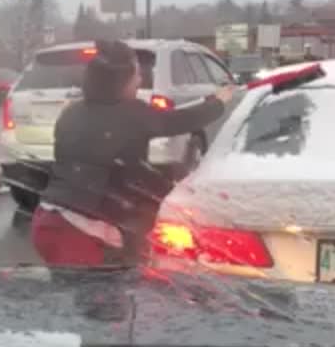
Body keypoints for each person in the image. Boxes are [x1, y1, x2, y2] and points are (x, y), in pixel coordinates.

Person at [31, 40, 235, 267]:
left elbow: (102, 163)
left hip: (48, 218)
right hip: (80, 230)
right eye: (136, 75)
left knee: (69, 294)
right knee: (101, 296)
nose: (140, 81)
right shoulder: (131, 113)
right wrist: (218, 102)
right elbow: (178, 121)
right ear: (120, 83)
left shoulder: (72, 111)